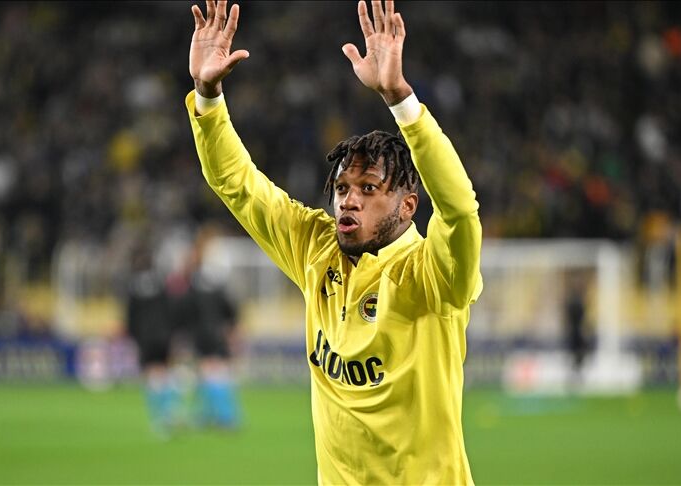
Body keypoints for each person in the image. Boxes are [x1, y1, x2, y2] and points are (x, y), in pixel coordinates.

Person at [186, 0, 482, 483]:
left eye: (369, 189)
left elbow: (460, 209)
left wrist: (402, 100)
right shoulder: (316, 248)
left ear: (408, 205)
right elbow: (237, 184)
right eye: (342, 188)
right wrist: (207, 96)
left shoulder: (435, 275)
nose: (349, 201)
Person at [167, 226, 241, 429]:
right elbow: (230, 310)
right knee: (214, 373)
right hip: (216, 333)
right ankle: (216, 414)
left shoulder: (193, 286)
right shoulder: (215, 284)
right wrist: (231, 329)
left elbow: (183, 312)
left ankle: (224, 416)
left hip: (203, 335)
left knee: (210, 373)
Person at [124, 238, 179, 438]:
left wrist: (133, 335)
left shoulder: (133, 287)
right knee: (164, 373)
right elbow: (170, 310)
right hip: (163, 335)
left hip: (145, 337)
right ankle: (169, 414)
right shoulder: (160, 284)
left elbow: (130, 316)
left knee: (151, 375)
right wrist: (171, 332)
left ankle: (158, 420)